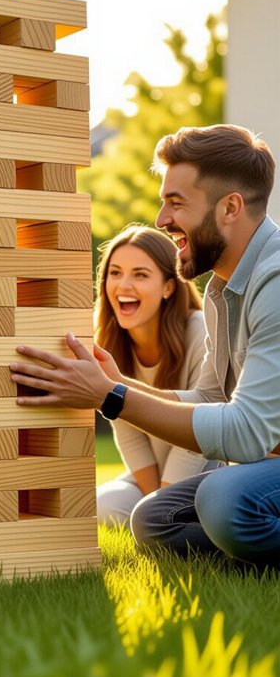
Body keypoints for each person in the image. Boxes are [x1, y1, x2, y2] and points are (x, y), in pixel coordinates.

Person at [10, 124, 280, 568]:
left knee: (223, 498)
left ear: (230, 207)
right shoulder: (221, 291)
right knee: (155, 518)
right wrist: (118, 383)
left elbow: (246, 434)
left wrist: (110, 398)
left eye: (176, 203)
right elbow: (213, 398)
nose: (161, 220)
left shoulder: (273, 280)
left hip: (258, 468)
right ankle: (250, 561)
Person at [95, 225, 215, 525]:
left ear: (168, 287)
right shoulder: (109, 345)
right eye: (115, 272)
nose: (123, 285)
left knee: (155, 514)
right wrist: (154, 504)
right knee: (101, 506)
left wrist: (162, 503)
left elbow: (199, 424)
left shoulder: (200, 331)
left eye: (140, 274)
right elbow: (126, 428)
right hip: (152, 476)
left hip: (203, 470)